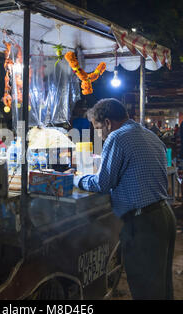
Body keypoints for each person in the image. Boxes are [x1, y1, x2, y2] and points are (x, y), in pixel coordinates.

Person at [74, 98, 176, 300]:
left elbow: (102, 183)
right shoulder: (150, 136)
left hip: (143, 223)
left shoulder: (117, 137)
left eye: (97, 128)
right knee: (161, 285)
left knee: (145, 287)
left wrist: (77, 179)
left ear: (108, 123)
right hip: (165, 217)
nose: (99, 135)